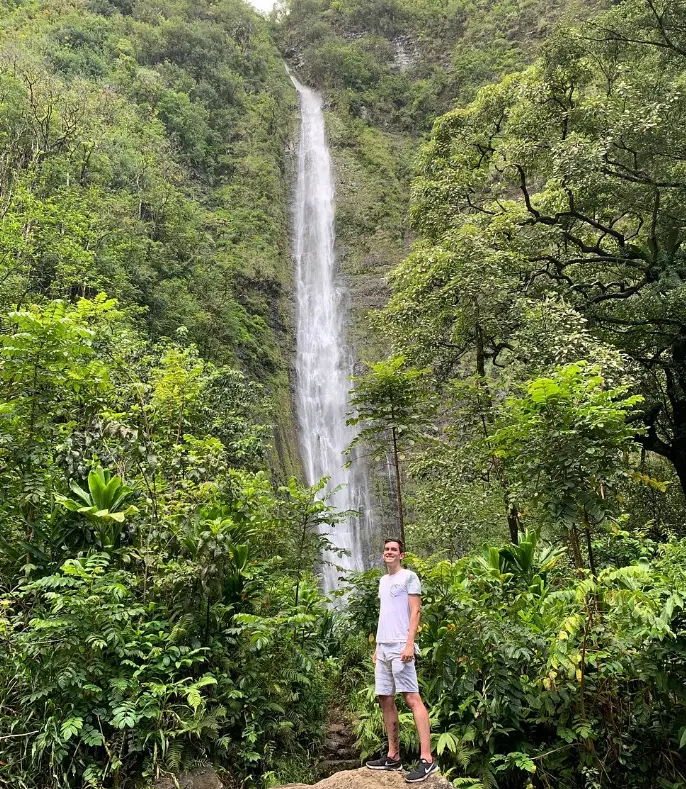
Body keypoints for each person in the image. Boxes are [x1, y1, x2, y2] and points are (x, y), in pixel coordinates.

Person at [365, 538, 438, 783]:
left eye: (393, 550)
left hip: (400, 646)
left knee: (411, 697)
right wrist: (377, 646)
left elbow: (415, 611)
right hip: (384, 647)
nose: (389, 552)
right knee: (385, 698)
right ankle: (393, 756)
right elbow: (384, 614)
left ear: (401, 555)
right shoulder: (383, 581)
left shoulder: (409, 577)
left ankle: (427, 759)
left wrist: (409, 643)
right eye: (386, 549)